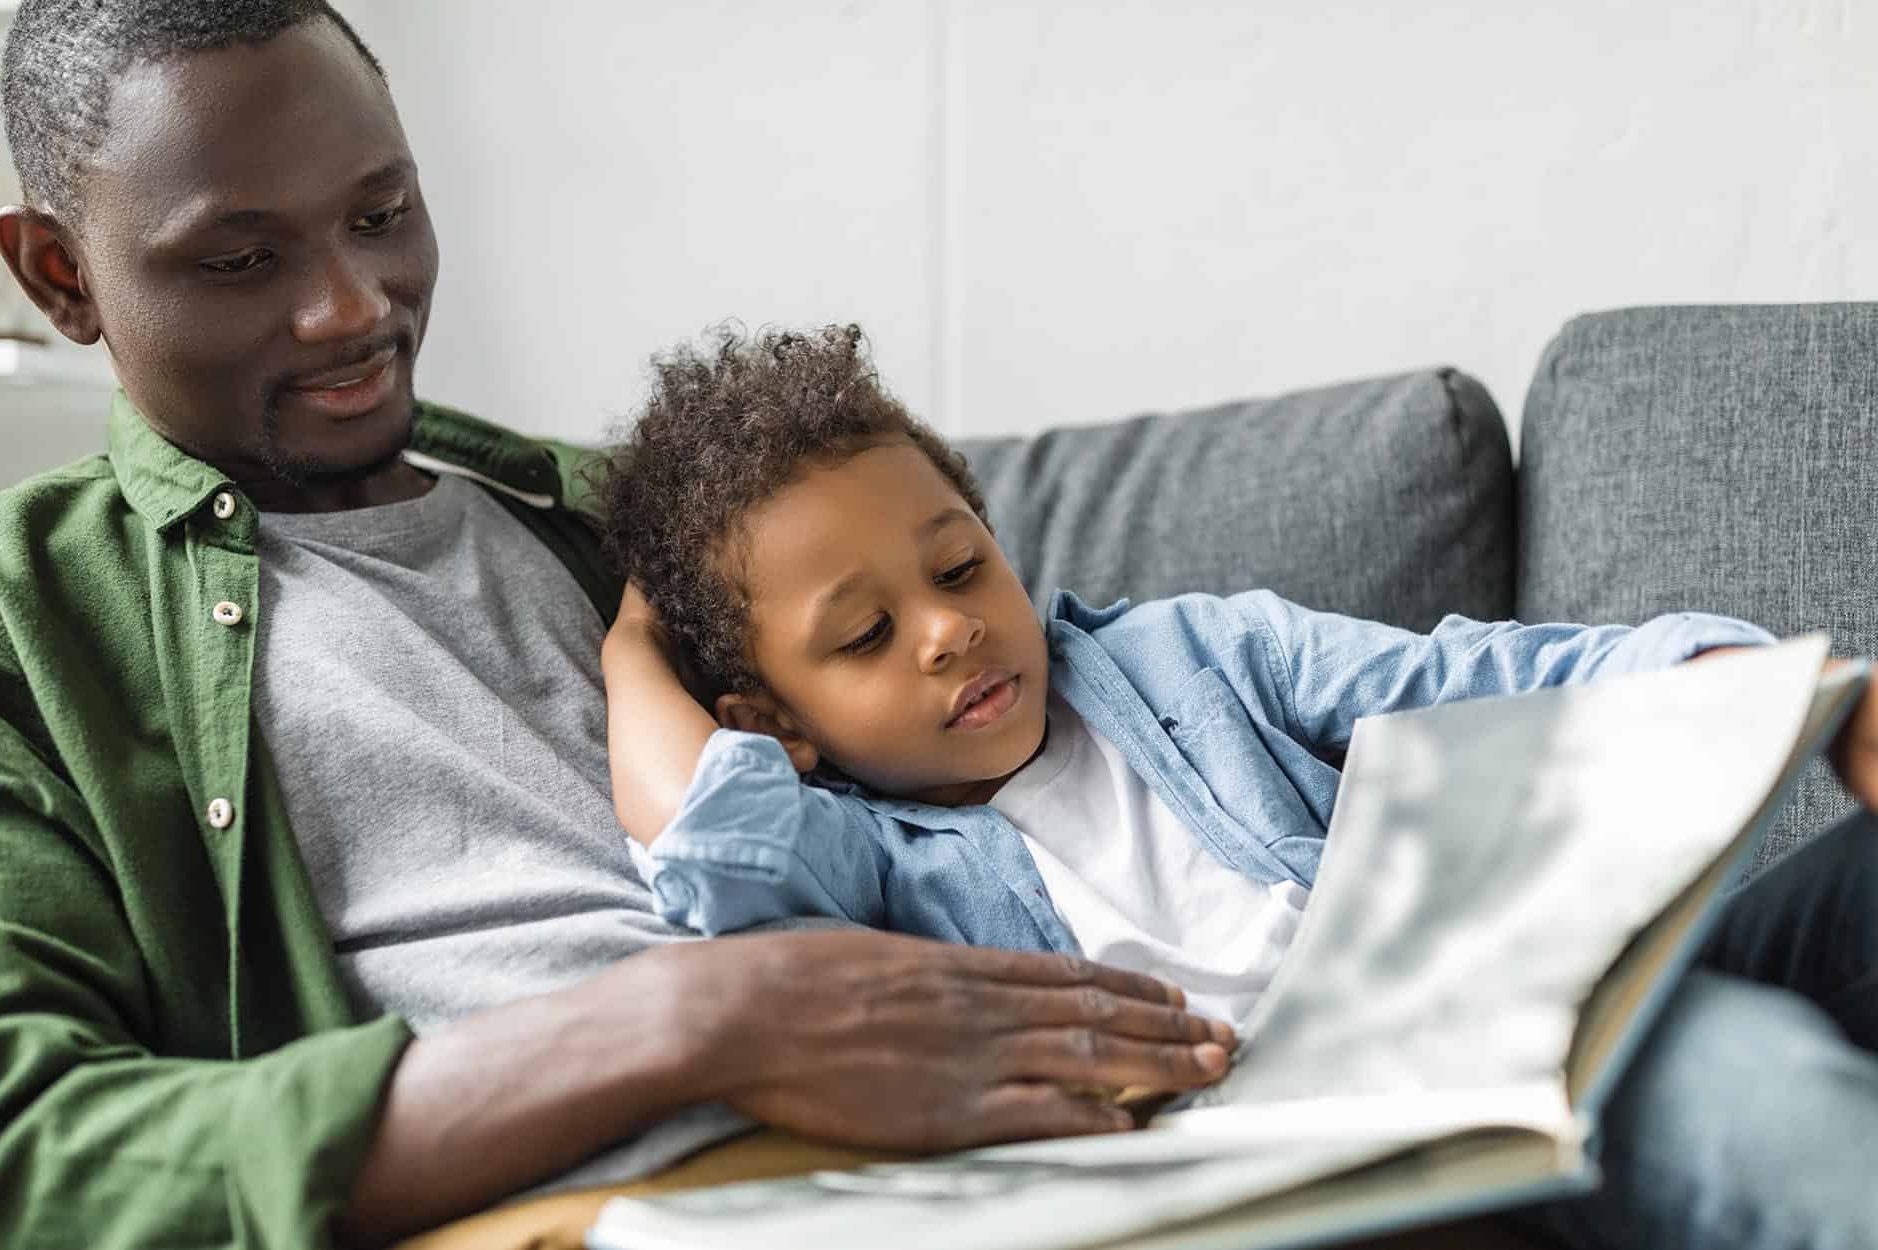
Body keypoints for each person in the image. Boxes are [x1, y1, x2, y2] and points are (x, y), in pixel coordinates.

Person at [0, 6, 1234, 1249]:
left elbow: (1053, 720)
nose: (351, 307)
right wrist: (688, 1021)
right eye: (240, 258)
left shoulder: (633, 520)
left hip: (1018, 1163)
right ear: (60, 274)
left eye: (382, 212)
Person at [593, 323, 1878, 1250]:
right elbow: (717, 858)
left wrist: (1760, 681)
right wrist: (630, 646)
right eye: (864, 636)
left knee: (1797, 976)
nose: (946, 630)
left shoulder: (1191, 655)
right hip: (1295, 1166)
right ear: (773, 722)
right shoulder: (857, 856)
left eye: (958, 568)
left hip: (1497, 1015)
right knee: (1736, 1085)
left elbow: (1472, 677)